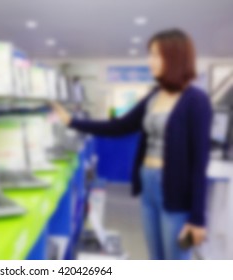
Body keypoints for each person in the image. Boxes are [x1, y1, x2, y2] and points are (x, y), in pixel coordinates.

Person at [51, 29, 213, 260]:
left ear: (176, 57)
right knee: (156, 258)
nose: (150, 61)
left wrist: (198, 218)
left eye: (156, 55)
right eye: (150, 54)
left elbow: (200, 163)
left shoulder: (196, 100)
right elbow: (120, 125)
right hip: (149, 184)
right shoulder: (155, 95)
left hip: (176, 191)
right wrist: (73, 122)